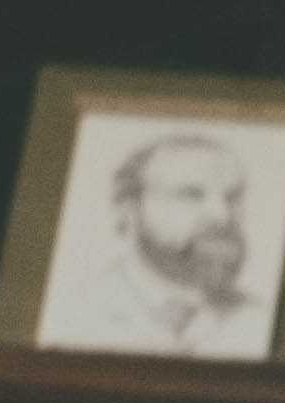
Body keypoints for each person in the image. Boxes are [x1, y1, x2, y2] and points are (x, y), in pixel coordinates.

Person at [42, 127, 270, 357]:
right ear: (128, 208)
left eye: (233, 197)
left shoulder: (258, 319)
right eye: (191, 194)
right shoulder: (69, 315)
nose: (222, 215)